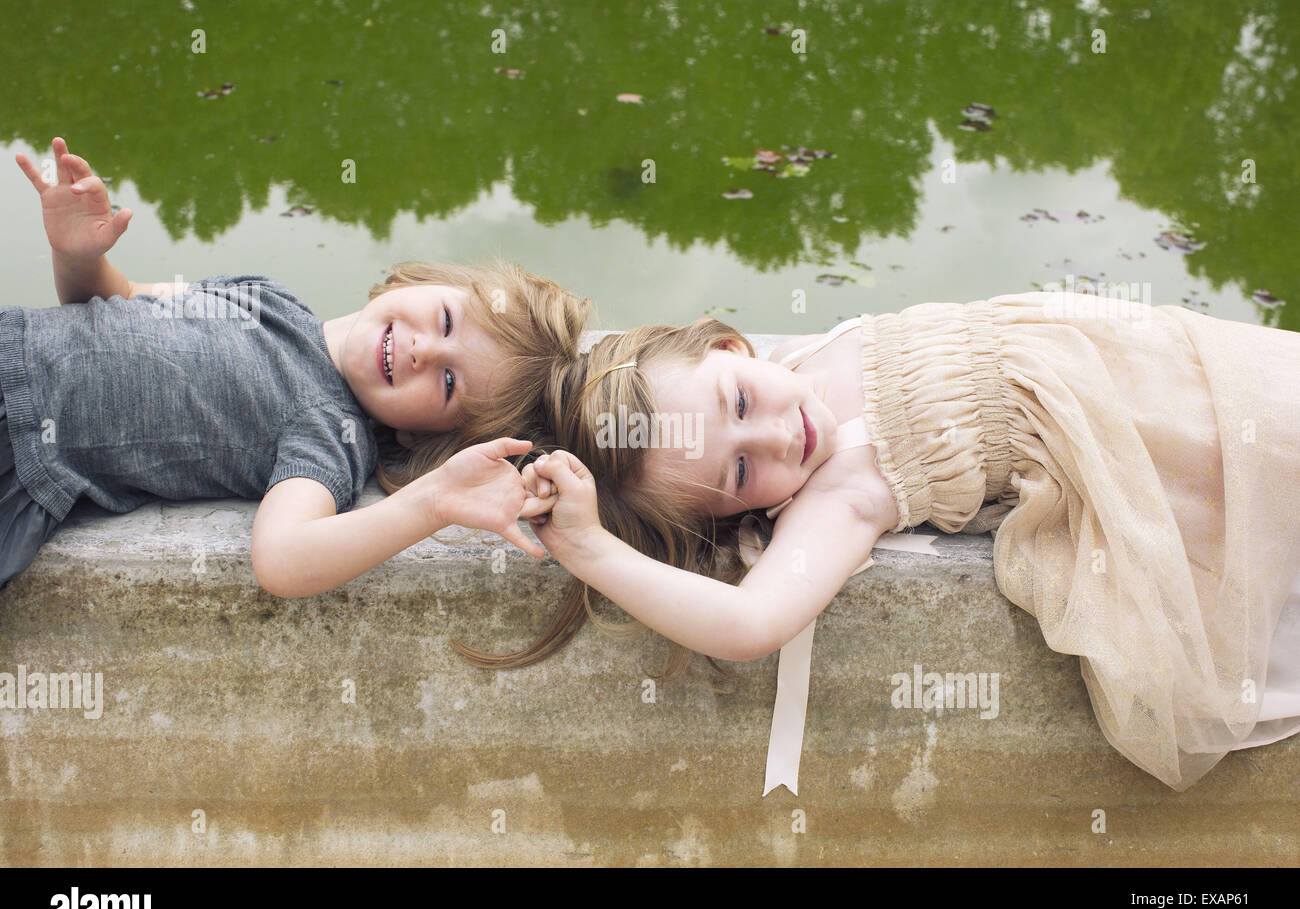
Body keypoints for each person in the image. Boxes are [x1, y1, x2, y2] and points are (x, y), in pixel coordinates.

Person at [481, 292, 1300, 792]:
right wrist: (591, 548)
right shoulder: (842, 490)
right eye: (738, 471)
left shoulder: (820, 355)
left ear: (728, 344)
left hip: (1171, 368)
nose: (776, 436)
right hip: (1160, 459)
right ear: (730, 514)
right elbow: (748, 626)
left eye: (739, 400)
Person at [1, 137, 568, 594]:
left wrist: (434, 499)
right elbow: (110, 302)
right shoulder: (270, 295)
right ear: (428, 284)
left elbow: (283, 560)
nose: (425, 351)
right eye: (445, 321)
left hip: (20, 454)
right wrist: (79, 255)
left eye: (448, 382)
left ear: (420, 432)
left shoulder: (331, 433)